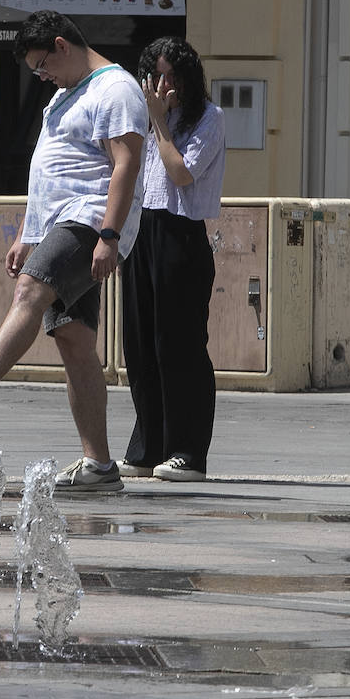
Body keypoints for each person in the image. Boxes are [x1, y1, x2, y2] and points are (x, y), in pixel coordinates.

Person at [0, 10, 146, 492]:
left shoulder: (116, 90)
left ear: (63, 46)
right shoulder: (64, 95)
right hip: (59, 222)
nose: (41, 76)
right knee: (73, 340)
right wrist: (27, 231)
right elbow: (48, 172)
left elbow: (126, 165)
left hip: (89, 218)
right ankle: (100, 466)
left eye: (43, 65)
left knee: (31, 290)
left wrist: (109, 235)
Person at [117, 37, 226, 483]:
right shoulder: (140, 118)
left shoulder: (208, 118)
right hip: (140, 230)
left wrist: (161, 125)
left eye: (171, 76)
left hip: (181, 234)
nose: (163, 85)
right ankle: (149, 446)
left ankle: (188, 450)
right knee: (140, 345)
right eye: (156, 76)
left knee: (178, 345)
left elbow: (181, 172)